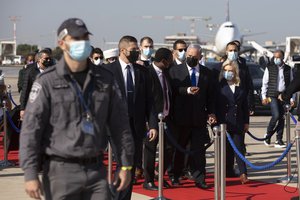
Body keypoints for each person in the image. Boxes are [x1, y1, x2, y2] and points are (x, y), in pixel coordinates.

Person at [19, 18, 134, 200]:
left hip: (96, 171)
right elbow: (31, 130)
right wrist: (30, 172)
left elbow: (121, 126)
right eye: (76, 38)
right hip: (61, 172)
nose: (82, 42)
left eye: (85, 37)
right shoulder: (47, 81)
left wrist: (126, 165)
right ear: (62, 43)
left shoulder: (105, 79)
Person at [104, 35, 158, 200]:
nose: (137, 52)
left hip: (136, 126)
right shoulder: (108, 71)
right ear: (122, 50)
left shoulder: (143, 71)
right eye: (134, 50)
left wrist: (153, 124)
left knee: (130, 165)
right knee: (124, 163)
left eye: (138, 49)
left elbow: (150, 101)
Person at [168, 44, 216, 189]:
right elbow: (173, 90)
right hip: (180, 118)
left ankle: (200, 178)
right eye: (189, 56)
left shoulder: (207, 73)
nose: (190, 58)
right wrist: (187, 90)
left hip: (199, 119)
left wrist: (211, 112)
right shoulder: (175, 71)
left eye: (194, 57)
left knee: (199, 151)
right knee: (180, 149)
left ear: (200, 57)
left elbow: (211, 97)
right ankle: (175, 175)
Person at [143, 48, 173, 190]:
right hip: (153, 119)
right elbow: (146, 100)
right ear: (164, 61)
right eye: (170, 59)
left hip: (167, 118)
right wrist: (150, 122)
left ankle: (158, 174)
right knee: (150, 149)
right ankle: (148, 180)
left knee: (169, 148)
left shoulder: (166, 72)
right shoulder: (147, 73)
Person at [216, 60, 250, 184]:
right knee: (225, 150)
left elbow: (244, 107)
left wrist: (246, 122)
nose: (228, 72)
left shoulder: (240, 86)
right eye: (226, 70)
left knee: (239, 148)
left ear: (235, 72)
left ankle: (243, 173)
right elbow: (215, 105)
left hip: (238, 122)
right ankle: (226, 171)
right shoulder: (219, 86)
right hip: (224, 122)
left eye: (230, 70)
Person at [261, 49, 294, 148]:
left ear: (282, 58)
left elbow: (292, 85)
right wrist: (263, 96)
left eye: (278, 57)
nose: (276, 59)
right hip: (272, 95)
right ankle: (268, 135)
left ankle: (279, 140)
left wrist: (292, 98)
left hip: (284, 96)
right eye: (274, 57)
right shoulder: (269, 68)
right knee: (276, 115)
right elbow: (264, 83)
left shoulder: (288, 69)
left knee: (282, 118)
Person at [19, 49, 53, 120]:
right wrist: (22, 109)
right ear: (39, 59)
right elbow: (25, 91)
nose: (48, 61)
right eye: (46, 59)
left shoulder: (52, 70)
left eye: (50, 59)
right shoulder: (30, 71)